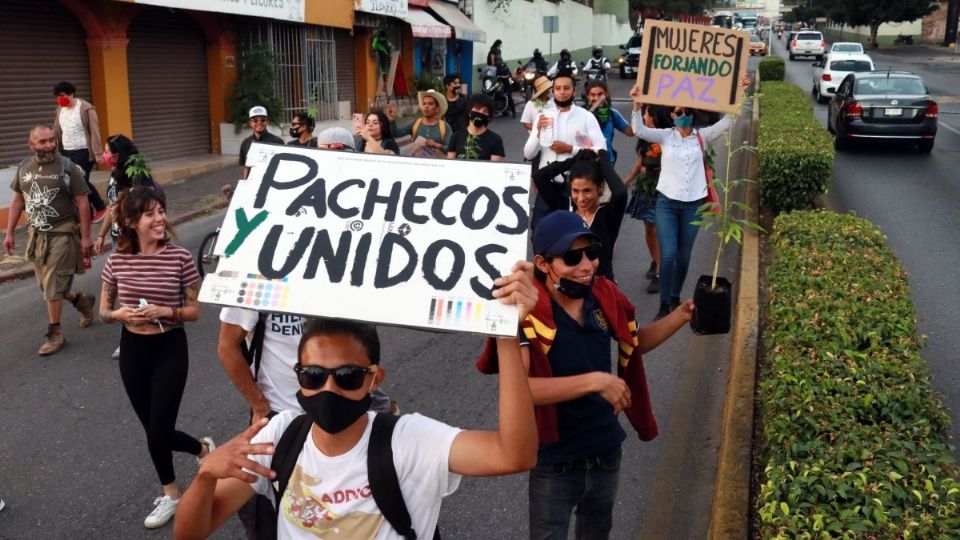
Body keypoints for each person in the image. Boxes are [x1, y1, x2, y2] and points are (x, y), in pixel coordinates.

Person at [174, 264, 540, 539]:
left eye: (347, 376)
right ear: (298, 374)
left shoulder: (409, 441)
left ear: (374, 378)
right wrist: (205, 476)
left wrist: (506, 334)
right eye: (313, 376)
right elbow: (190, 533)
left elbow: (514, 454)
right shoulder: (280, 436)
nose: (328, 390)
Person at [477, 210, 694, 540]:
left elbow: (632, 345)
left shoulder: (604, 296)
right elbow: (520, 390)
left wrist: (681, 315)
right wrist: (596, 381)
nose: (587, 266)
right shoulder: (522, 311)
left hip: (606, 452)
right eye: (572, 257)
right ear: (544, 263)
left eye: (592, 254)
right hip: (554, 462)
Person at [98, 187, 214, 529]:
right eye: (150, 214)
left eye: (161, 210)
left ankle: (174, 498)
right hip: (133, 352)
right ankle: (199, 453)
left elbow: (194, 311)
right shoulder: (116, 261)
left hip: (169, 349)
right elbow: (104, 311)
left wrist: (167, 310)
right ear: (133, 222)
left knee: (158, 429)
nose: (160, 218)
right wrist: (122, 315)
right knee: (152, 429)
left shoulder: (178, 257)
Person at [629, 76, 748, 319]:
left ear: (693, 115)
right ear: (672, 115)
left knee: (684, 256)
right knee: (669, 254)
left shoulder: (702, 137)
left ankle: (675, 296)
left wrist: (740, 91)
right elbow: (639, 129)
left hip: (693, 204)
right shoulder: (665, 136)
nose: (683, 114)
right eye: (679, 111)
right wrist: (636, 104)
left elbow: (730, 120)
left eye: (688, 111)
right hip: (667, 204)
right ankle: (664, 305)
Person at [4, 125, 95, 356]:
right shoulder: (24, 167)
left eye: (51, 140)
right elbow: (17, 201)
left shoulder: (67, 167)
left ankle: (56, 333)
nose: (49, 145)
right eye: (43, 142)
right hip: (36, 235)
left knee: (53, 286)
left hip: (63, 232)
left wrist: (86, 238)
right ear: (31, 145)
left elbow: (83, 202)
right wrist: (10, 233)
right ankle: (81, 301)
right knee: (47, 286)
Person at [95, 134, 158, 359]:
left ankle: (137, 334)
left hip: (132, 239)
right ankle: (134, 331)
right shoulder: (114, 175)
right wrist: (101, 235)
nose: (103, 155)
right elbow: (113, 208)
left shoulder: (138, 175)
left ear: (118, 154)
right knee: (125, 288)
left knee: (131, 288)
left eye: (106, 151)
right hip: (117, 238)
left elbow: (146, 207)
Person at [523, 70, 605, 231]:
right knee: (539, 229)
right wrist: (538, 133)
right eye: (558, 88)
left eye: (566, 88)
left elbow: (601, 150)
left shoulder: (586, 117)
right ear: (553, 91)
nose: (562, 92)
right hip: (547, 186)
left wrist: (570, 149)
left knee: (572, 233)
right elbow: (528, 153)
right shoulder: (543, 116)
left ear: (574, 91)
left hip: (574, 188)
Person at [532, 150, 626, 281]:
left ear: (600, 188)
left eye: (587, 190)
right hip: (568, 289)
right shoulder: (564, 207)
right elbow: (539, 177)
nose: (581, 198)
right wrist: (572, 161)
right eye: (575, 191)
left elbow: (621, 193)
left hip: (601, 289)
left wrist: (604, 163)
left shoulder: (607, 215)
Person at [624, 104, 672, 295]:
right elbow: (640, 161)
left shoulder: (670, 136)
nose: (644, 116)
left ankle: (661, 273)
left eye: (646, 113)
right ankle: (656, 259)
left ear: (655, 116)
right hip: (646, 188)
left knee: (661, 230)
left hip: (664, 188)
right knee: (649, 228)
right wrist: (627, 180)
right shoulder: (645, 136)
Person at [52, 81, 107, 223]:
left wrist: (98, 152)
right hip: (66, 150)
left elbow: (94, 131)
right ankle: (86, 214)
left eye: (62, 95)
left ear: (71, 94)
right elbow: (57, 129)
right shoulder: (60, 109)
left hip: (83, 150)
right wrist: (52, 145)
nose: (60, 98)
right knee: (71, 183)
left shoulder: (86, 108)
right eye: (57, 96)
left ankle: (100, 207)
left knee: (81, 181)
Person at [384, 90, 452, 157]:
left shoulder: (445, 127)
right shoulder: (415, 123)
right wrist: (392, 120)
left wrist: (435, 144)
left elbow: (451, 149)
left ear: (437, 108)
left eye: (430, 104)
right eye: (424, 104)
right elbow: (395, 134)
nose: (426, 106)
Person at [585, 80, 633, 164]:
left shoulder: (612, 114)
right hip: (586, 162)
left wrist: (637, 106)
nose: (596, 98)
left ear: (606, 94)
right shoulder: (581, 114)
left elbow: (631, 132)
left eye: (600, 94)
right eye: (593, 95)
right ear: (588, 96)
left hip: (607, 162)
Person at [447, 94, 505, 161]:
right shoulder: (456, 137)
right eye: (477, 109)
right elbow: (450, 165)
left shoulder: (496, 140)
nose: (480, 113)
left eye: (485, 111)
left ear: (488, 116)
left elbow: (495, 167)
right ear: (469, 112)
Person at [239, 106, 284, 179]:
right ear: (250, 123)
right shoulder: (245, 143)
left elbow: (282, 166)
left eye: (263, 120)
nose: (259, 123)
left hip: (271, 182)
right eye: (255, 121)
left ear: (267, 122)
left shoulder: (277, 141)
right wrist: (245, 182)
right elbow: (246, 166)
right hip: (252, 183)